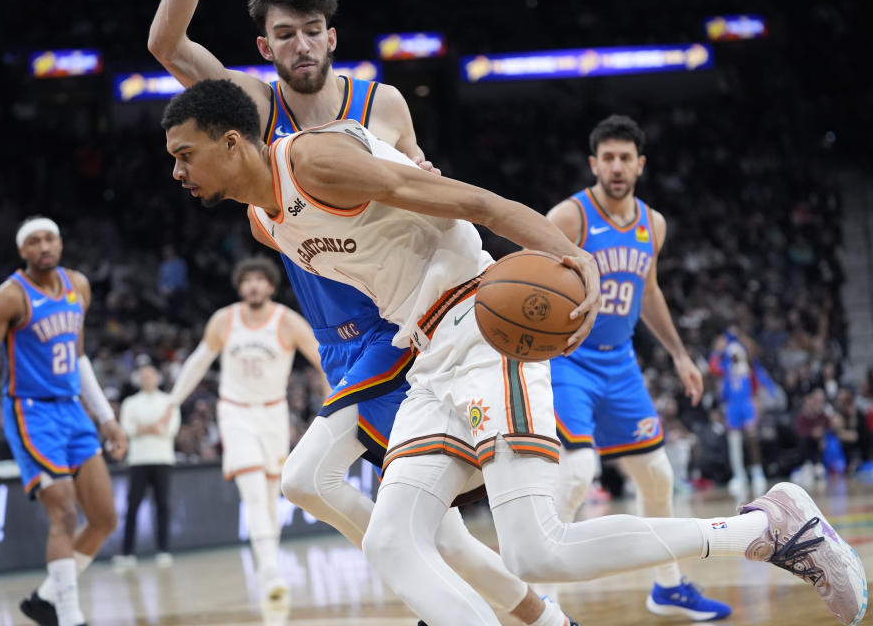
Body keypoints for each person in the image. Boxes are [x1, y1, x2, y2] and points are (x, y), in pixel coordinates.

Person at [160, 78, 867, 626]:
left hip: (484, 326)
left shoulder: (315, 159)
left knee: (536, 549)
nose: (177, 172)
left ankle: (765, 527)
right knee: (391, 542)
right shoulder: (263, 222)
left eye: (185, 154)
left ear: (231, 142)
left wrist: (569, 255)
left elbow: (476, 203)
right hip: (428, 351)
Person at [150, 0, 571, 624]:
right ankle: (538, 615)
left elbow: (422, 187)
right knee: (437, 533)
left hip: (395, 322)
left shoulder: (383, 103)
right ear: (265, 48)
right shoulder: (255, 109)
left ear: (331, 35)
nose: (301, 44)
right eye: (284, 34)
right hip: (334, 333)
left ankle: (446, 597)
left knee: (307, 480)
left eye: (311, 30)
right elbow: (166, 44)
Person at [544, 115, 731, 620]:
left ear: (641, 164)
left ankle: (667, 587)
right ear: (593, 164)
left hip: (622, 364)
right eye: (608, 157)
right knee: (578, 471)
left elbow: (648, 293)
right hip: (571, 362)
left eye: (626, 157)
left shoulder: (654, 224)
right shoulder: (570, 217)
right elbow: (528, 281)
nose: (617, 166)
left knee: (657, 474)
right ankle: (543, 599)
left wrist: (678, 353)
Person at [0, 217, 126, 626]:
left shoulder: (79, 287)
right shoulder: (9, 297)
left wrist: (105, 417)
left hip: (73, 409)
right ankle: (69, 617)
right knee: (65, 515)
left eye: (50, 238)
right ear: (23, 251)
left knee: (105, 518)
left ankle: (45, 599)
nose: (43, 246)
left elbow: (80, 356)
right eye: (33, 241)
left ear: (60, 242)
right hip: (31, 412)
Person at [163, 255, 328, 600]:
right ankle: (269, 571)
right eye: (247, 280)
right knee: (253, 492)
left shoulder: (287, 321)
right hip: (235, 412)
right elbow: (198, 362)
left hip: (273, 414)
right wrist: (173, 401)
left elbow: (324, 361)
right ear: (240, 286)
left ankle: (269, 564)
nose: (253, 285)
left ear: (270, 285)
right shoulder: (225, 320)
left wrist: (333, 407)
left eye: (260, 279)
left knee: (270, 496)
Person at [114, 358, 179, 569]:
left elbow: (169, 430)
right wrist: (151, 428)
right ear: (138, 380)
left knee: (163, 506)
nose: (147, 379)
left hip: (162, 459)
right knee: (132, 507)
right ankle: (127, 553)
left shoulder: (169, 402)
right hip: (138, 460)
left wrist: (144, 428)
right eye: (143, 376)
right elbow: (127, 429)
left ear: (157, 378)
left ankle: (163, 551)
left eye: (150, 375)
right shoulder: (130, 403)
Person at [709, 331, 768, 497]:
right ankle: (739, 475)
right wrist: (717, 350)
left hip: (747, 405)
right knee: (734, 442)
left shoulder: (749, 368)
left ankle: (757, 473)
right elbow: (713, 367)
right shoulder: (726, 370)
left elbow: (753, 351)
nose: (734, 356)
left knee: (752, 438)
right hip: (732, 408)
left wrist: (740, 336)